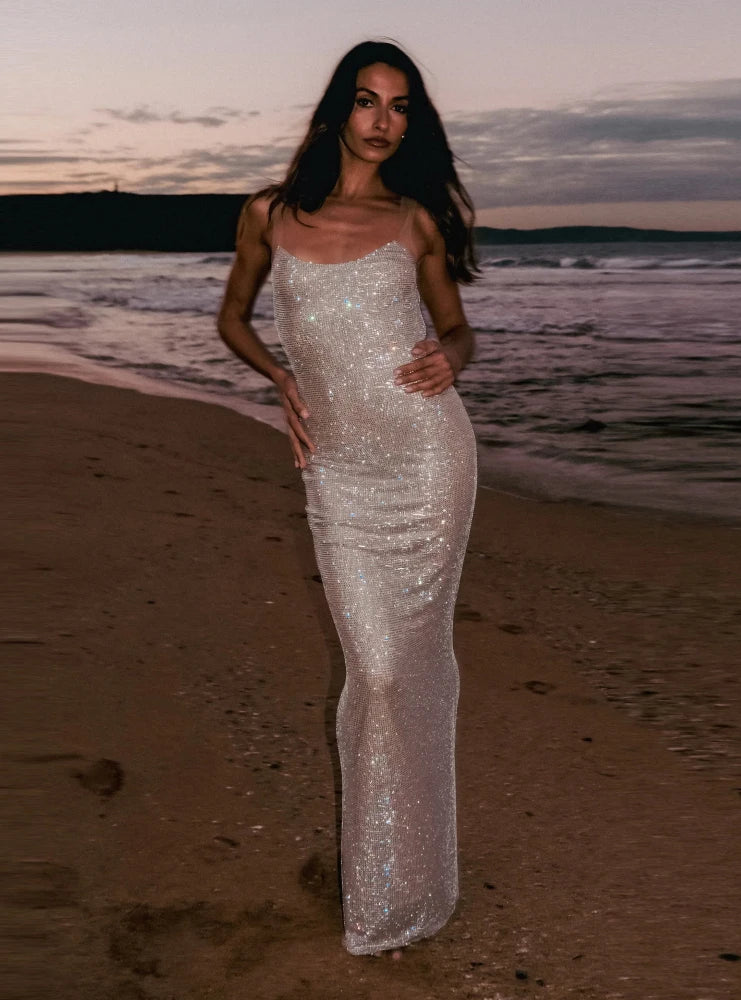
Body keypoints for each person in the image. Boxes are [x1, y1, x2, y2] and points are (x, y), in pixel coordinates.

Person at [216, 39, 479, 957]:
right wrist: (280, 379)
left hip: (430, 457)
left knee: (409, 666)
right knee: (375, 669)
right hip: (338, 466)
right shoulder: (268, 213)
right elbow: (232, 315)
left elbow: (456, 327)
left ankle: (406, 886)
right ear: (338, 109)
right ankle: (391, 875)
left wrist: (452, 357)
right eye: (368, 100)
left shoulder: (415, 222)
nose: (382, 120)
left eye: (400, 106)